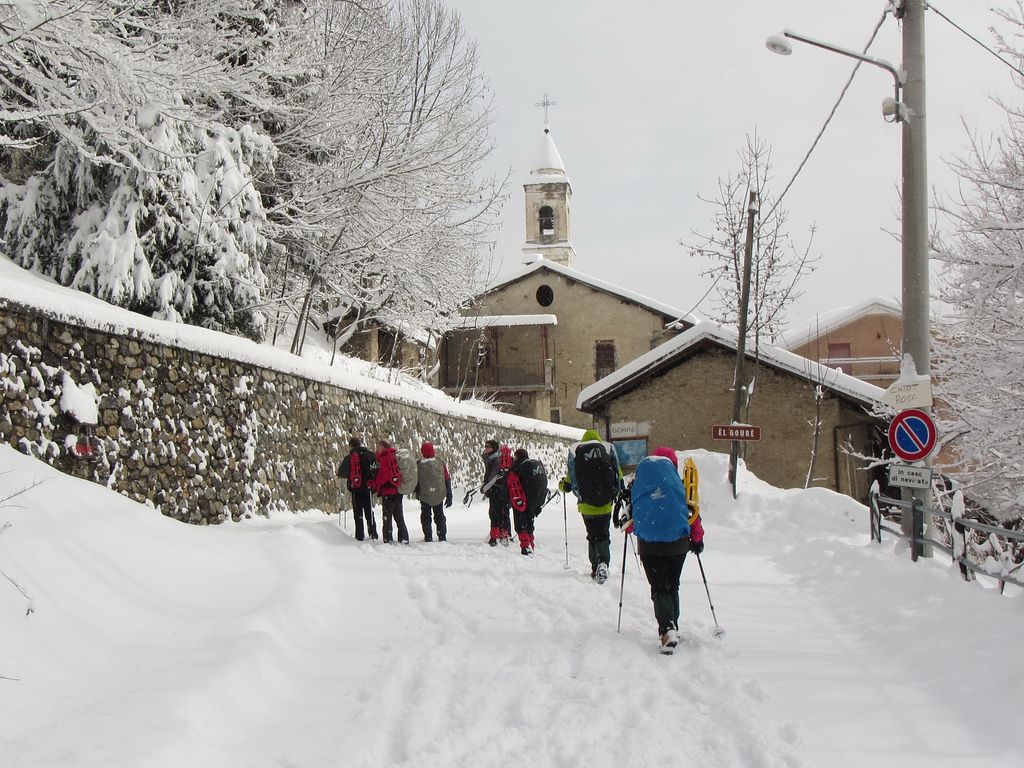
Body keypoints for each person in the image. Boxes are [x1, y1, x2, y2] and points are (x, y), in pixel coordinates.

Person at [621, 446, 705, 654]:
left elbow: (633, 518)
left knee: (659, 588)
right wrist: (697, 539)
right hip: (677, 543)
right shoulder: (678, 484)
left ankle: (667, 629)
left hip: (650, 545)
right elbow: (692, 513)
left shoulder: (640, 484)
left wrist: (631, 527)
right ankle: (672, 624)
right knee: (672, 585)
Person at [560, 429, 623, 583]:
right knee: (603, 534)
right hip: (606, 504)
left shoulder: (577, 454)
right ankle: (603, 562)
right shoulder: (607, 451)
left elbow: (570, 482)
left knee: (592, 535)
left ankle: (595, 566)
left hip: (586, 505)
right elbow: (619, 477)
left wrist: (562, 486)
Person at [337, 437, 379, 541]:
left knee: (358, 513)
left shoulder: (350, 457)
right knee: (369, 512)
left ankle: (360, 536)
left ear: (351, 446)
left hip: (356, 488)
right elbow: (376, 467)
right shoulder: (369, 454)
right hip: (368, 488)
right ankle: (373, 533)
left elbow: (342, 472)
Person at [369, 438, 409, 545]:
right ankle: (404, 537)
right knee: (399, 516)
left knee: (387, 517)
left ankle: (388, 539)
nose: (377, 449)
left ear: (383, 447)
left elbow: (383, 477)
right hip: (397, 490)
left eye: (378, 447)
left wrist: (374, 483)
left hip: (388, 492)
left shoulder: (384, 459)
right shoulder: (395, 455)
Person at [416, 441, 452, 542]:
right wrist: (449, 495)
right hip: (438, 494)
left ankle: (428, 536)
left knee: (426, 517)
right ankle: (442, 536)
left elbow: (416, 480)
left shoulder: (419, 464)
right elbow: (447, 479)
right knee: (439, 516)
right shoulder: (441, 463)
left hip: (425, 495)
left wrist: (417, 492)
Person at [480, 438, 511, 546]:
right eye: (485, 446)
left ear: (493, 448)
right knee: (501, 512)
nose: (486, 448)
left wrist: (485, 488)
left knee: (495, 513)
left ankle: (495, 537)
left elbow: (492, 476)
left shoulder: (495, 460)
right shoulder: (495, 459)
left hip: (496, 490)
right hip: (501, 490)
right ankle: (503, 535)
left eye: (488, 447)